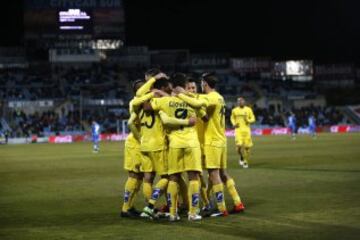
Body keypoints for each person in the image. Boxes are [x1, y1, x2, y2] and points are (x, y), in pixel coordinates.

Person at [230, 97, 255, 168]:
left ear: (244, 102)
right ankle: (241, 157)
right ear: (237, 103)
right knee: (239, 146)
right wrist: (234, 124)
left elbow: (253, 118)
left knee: (247, 147)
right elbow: (232, 118)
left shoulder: (248, 109)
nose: (240, 102)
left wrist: (248, 121)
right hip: (238, 131)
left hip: (247, 131)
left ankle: (245, 161)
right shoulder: (234, 110)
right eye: (239, 101)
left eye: (242, 101)